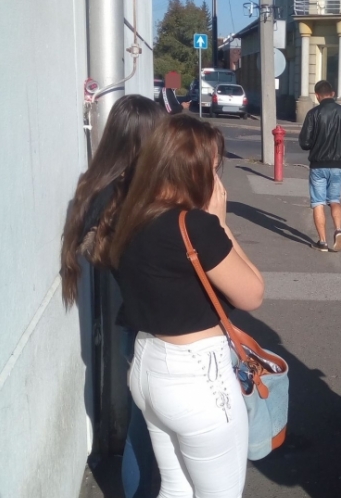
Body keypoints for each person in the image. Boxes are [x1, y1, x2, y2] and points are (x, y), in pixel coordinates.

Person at [109, 115, 265, 497]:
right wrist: (220, 225)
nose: (217, 180)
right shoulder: (195, 226)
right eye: (213, 168)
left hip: (148, 366)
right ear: (192, 169)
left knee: (176, 487)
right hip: (198, 380)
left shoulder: (132, 214)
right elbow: (252, 294)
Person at [60, 94, 165, 498]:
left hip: (131, 326)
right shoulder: (140, 197)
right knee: (154, 432)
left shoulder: (95, 189)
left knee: (143, 427)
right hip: (157, 331)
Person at [299, 80, 341, 252]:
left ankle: (323, 242)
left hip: (318, 166)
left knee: (318, 202)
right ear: (332, 94)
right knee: (334, 200)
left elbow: (304, 143)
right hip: (337, 166)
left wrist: (316, 141)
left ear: (317, 95)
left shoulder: (313, 114)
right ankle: (338, 230)